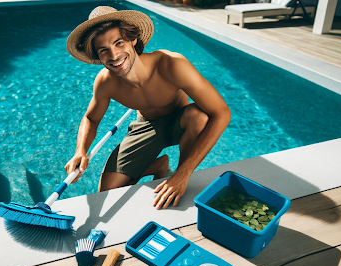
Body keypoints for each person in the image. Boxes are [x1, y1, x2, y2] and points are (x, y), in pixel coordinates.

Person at [64, 6, 231, 209]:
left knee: (199, 116)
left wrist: (182, 175)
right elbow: (91, 118)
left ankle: (179, 176)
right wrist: (80, 151)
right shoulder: (105, 82)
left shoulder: (171, 64)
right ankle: (158, 165)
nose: (114, 55)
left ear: (133, 39)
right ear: (98, 56)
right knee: (107, 191)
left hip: (181, 121)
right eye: (104, 50)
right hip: (147, 126)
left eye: (119, 43)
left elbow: (221, 113)